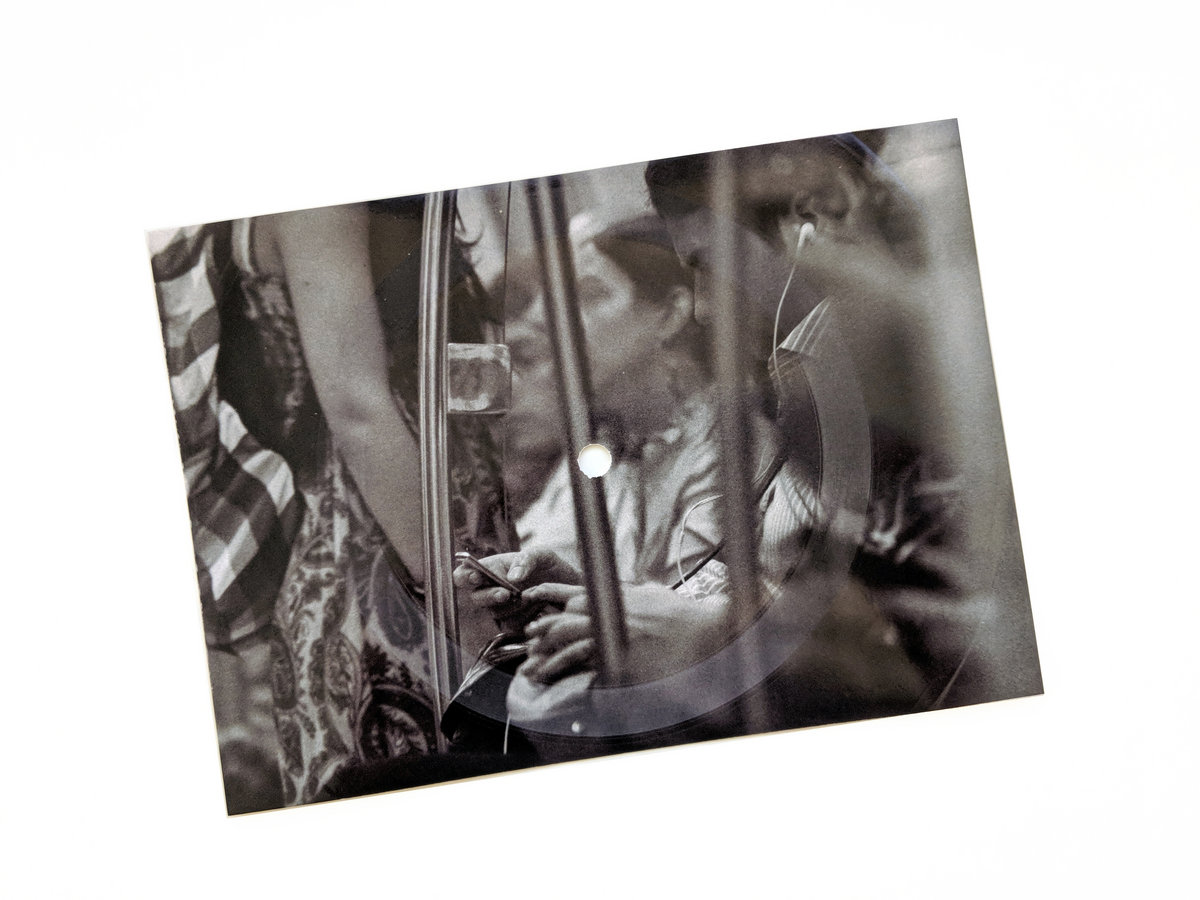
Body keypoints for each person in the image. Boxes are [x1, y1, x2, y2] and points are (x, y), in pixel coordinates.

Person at [459, 129, 1038, 742]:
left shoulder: (880, 378)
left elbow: (939, 650)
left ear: (820, 211)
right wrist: (602, 597)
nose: (703, 308)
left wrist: (708, 637)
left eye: (707, 266)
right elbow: (828, 591)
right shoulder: (807, 390)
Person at [212, 199, 511, 806]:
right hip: (390, 574)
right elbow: (358, 409)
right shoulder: (315, 199)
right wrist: (464, 609)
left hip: (423, 552)